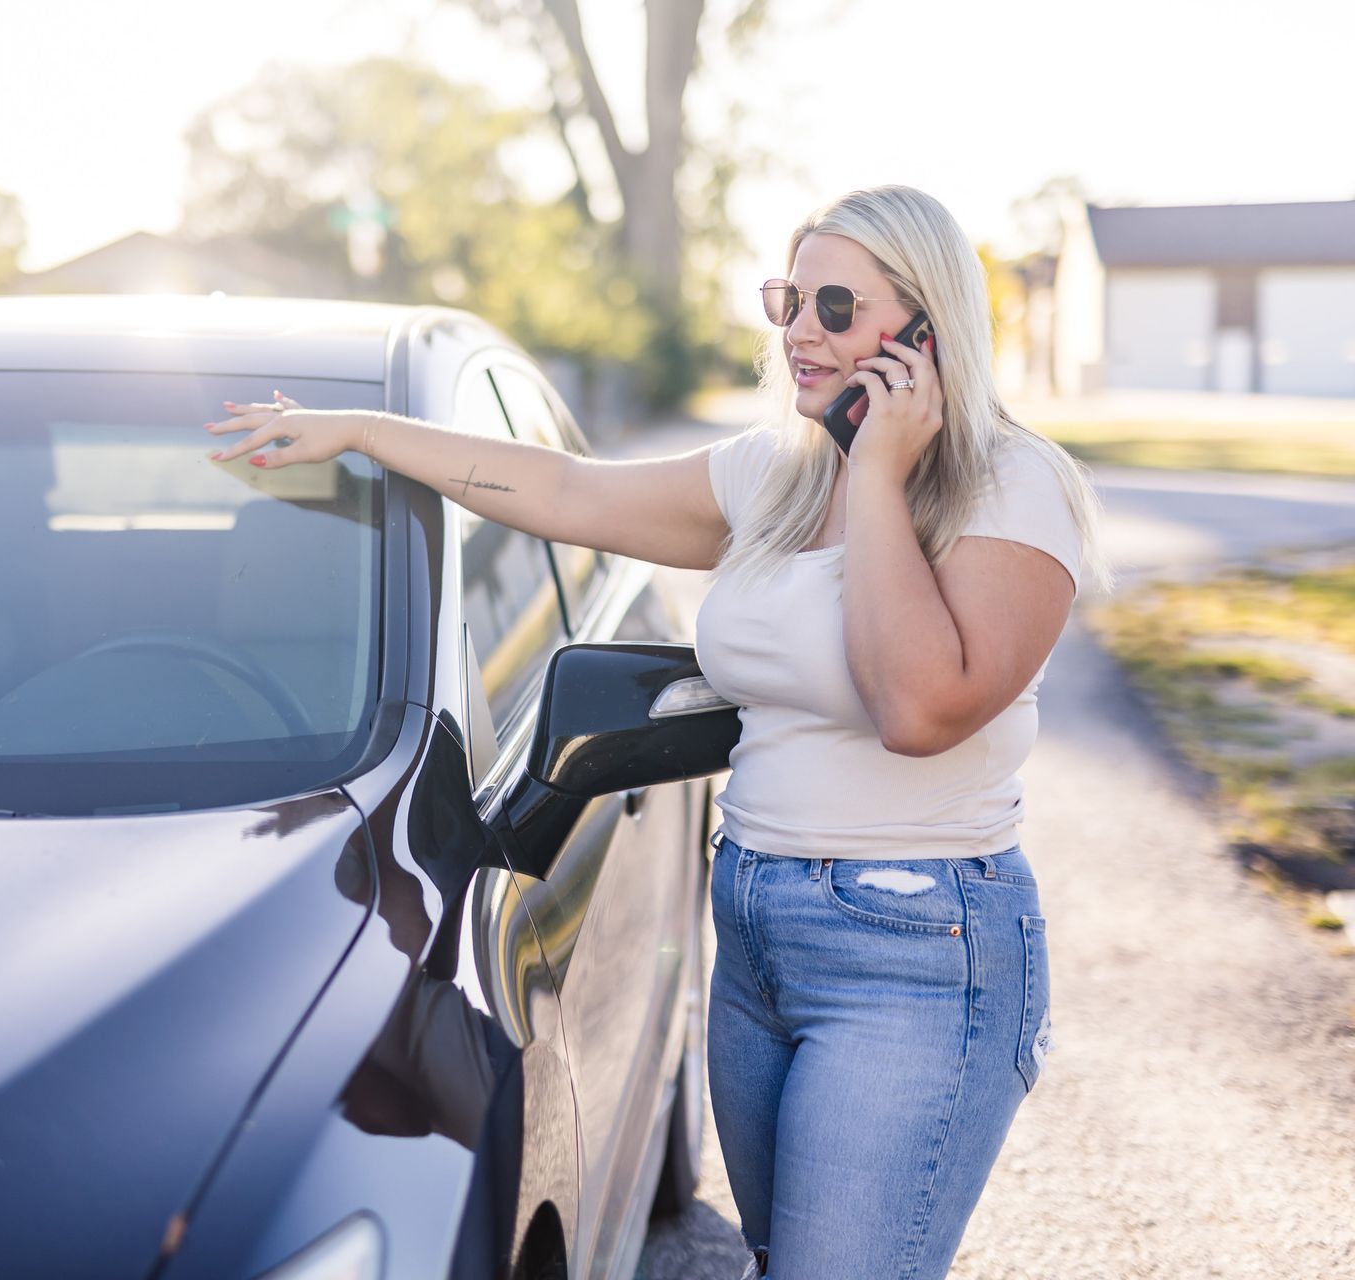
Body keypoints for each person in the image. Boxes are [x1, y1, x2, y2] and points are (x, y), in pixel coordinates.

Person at [205, 184, 1109, 1280]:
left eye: (835, 305)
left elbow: (918, 706)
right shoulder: (774, 472)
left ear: (927, 327)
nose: (799, 332)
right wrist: (363, 430)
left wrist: (877, 472)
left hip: (918, 948)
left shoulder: (1012, 487)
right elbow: (567, 490)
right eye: (788, 299)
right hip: (756, 927)